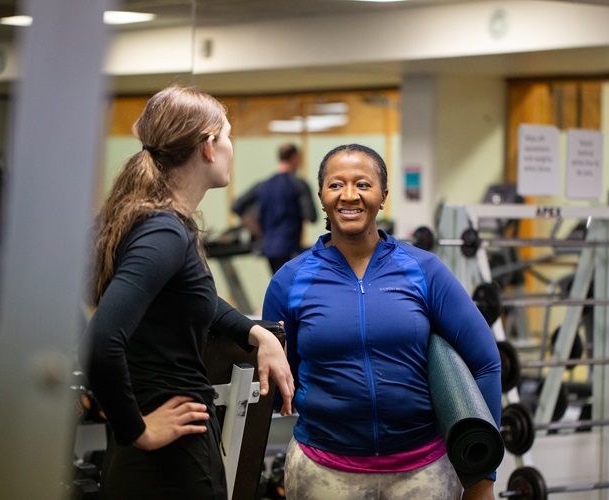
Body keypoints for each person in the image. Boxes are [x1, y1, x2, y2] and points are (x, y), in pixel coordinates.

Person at [79, 85, 294, 500]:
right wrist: (138, 430)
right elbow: (100, 343)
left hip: (165, 443)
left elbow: (188, 298)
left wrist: (256, 334)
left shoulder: (162, 223)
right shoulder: (162, 230)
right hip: (171, 452)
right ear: (209, 147)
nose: (232, 146)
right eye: (228, 136)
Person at [261, 144, 502, 500]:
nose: (349, 196)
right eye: (336, 185)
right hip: (323, 472)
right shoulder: (289, 280)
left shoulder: (424, 270)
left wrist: (482, 477)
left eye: (362, 184)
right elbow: (282, 374)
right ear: (321, 196)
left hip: (423, 473)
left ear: (383, 195)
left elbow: (486, 362)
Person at [231, 143, 317, 274]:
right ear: (294, 158)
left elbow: (237, 206)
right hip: (291, 248)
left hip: (269, 248)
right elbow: (311, 216)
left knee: (278, 285)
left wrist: (258, 230)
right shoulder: (299, 185)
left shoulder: (263, 185)